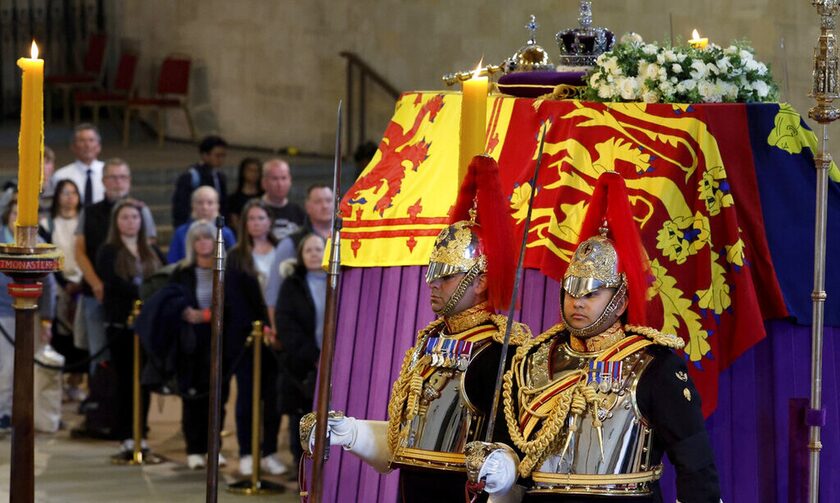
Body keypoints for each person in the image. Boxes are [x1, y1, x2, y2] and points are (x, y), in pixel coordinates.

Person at [469, 173, 721, 503]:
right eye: (572, 289)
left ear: (620, 301)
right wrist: (501, 464)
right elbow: (513, 444)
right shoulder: (532, 359)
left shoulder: (654, 365)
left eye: (591, 293)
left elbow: (695, 463)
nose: (578, 302)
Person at [299, 155, 530, 502]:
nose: (433, 284)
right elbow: (402, 446)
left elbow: (516, 461)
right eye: (433, 274)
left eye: (447, 276)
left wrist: (505, 472)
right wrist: (351, 433)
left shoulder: (503, 351)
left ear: (480, 281)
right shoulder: (429, 343)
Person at [74, 158, 157, 373]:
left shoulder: (140, 211)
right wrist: (96, 283)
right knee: (99, 352)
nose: (117, 182)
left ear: (129, 181)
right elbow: (79, 252)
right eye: (112, 177)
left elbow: (148, 252)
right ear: (103, 180)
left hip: (132, 295)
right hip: (97, 291)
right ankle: (99, 399)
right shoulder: (90, 212)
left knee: (131, 357)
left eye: (122, 177)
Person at [95, 198, 163, 454]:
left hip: (147, 326)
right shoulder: (108, 250)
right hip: (121, 326)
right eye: (125, 217)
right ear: (116, 222)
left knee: (144, 380)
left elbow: (164, 276)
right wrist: (144, 292)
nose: (130, 222)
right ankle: (125, 433)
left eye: (135, 217)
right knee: (125, 381)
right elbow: (113, 284)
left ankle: (141, 432)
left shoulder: (151, 250)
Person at [224, 199, 286, 476]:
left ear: (269, 221)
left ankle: (270, 450)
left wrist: (277, 328)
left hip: (276, 338)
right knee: (247, 397)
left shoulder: (281, 251)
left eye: (261, 218)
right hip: (248, 337)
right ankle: (247, 452)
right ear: (244, 223)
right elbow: (235, 301)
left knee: (273, 399)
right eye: (252, 219)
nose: (257, 224)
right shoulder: (236, 256)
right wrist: (259, 327)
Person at [166, 220, 230, 469]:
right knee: (192, 398)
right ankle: (194, 449)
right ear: (192, 244)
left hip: (218, 341)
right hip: (190, 343)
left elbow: (231, 303)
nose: (204, 243)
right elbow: (172, 300)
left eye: (208, 238)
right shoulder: (181, 271)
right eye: (199, 239)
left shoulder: (225, 269)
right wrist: (186, 312)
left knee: (218, 398)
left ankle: (214, 449)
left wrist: (206, 315)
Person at [0, 199, 55, 432]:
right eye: (15, 213)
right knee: (4, 366)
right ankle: (4, 411)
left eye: (23, 215)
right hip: (2, 313)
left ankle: (15, 413)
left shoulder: (38, 244)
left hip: (25, 313)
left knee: (18, 366)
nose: (17, 219)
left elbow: (49, 285)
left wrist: (47, 320)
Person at [275, 233, 326, 468]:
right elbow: (287, 326)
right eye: (309, 250)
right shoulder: (292, 284)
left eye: (318, 249)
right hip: (303, 366)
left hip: (336, 363)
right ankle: (302, 471)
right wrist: (314, 357)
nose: (314, 254)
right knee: (303, 420)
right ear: (300, 256)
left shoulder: (341, 280)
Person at [40, 179, 86, 402]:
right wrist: (63, 281)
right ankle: (57, 384)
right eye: (65, 192)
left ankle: (75, 382)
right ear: (57, 196)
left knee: (79, 338)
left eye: (73, 193)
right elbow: (49, 253)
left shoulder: (84, 222)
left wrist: (80, 280)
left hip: (82, 282)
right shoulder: (48, 223)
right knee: (59, 338)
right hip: (58, 285)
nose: (69, 197)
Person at [266, 183, 333, 324]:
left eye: (328, 200)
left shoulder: (348, 239)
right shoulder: (291, 243)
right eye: (318, 201)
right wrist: (276, 329)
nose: (325, 206)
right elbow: (273, 291)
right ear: (307, 207)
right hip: (301, 327)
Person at [166, 186, 236, 263]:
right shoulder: (181, 232)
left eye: (210, 203)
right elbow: (172, 263)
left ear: (217, 206)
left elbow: (233, 263)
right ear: (193, 205)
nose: (205, 207)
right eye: (200, 203)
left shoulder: (226, 233)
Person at [171, 135, 229, 228]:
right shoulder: (190, 177)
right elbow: (181, 209)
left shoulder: (220, 177)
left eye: (223, 156)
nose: (221, 159)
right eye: (217, 156)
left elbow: (223, 206)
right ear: (205, 155)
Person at [50, 123, 105, 207]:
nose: (87, 145)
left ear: (99, 146)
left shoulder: (109, 173)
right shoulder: (61, 176)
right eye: (82, 141)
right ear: (73, 147)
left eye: (91, 140)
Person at [261, 158, 305, 242]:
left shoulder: (298, 211)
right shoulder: (255, 210)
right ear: (264, 182)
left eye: (284, 178)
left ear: (290, 181)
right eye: (275, 179)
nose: (280, 184)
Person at [227, 157, 263, 234]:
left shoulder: (264, 196)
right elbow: (234, 221)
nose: (254, 173)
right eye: (250, 170)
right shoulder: (234, 198)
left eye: (257, 171)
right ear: (243, 172)